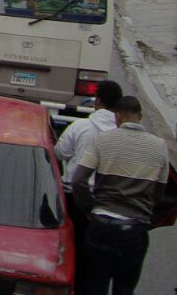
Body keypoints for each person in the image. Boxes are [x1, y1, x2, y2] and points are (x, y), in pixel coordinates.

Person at [69, 96, 171, 295]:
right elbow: (160, 190)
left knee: (94, 285)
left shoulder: (102, 141)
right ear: (140, 116)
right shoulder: (159, 146)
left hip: (101, 225)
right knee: (124, 288)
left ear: (117, 117)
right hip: (134, 230)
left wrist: (89, 209)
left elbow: (78, 180)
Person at [57, 80, 125, 258]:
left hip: (73, 198)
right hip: (107, 204)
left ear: (98, 101)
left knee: (71, 248)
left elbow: (60, 153)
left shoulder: (80, 126)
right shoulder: (123, 136)